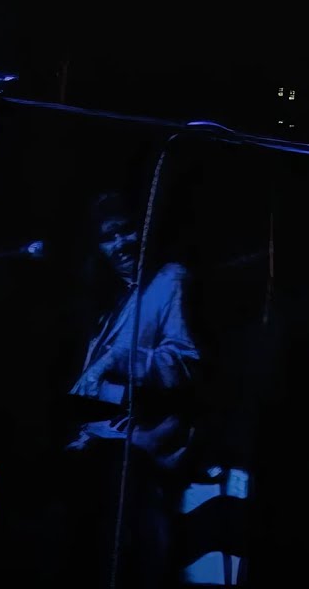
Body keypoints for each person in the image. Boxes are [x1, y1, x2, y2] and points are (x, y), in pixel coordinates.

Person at [55, 191, 202, 589]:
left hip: (140, 456)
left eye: (126, 230)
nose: (119, 243)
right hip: (97, 452)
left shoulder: (169, 278)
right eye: (108, 237)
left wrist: (118, 359)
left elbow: (184, 360)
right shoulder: (111, 301)